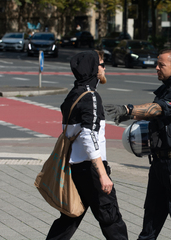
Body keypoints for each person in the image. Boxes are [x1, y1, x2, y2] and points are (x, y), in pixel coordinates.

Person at [105, 48, 171, 240]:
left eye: (160, 65)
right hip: (159, 163)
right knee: (152, 215)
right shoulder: (168, 87)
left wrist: (128, 110)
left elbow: (158, 109)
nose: (156, 67)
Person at [46, 50, 128, 240]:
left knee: (69, 217)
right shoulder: (90, 96)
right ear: (92, 68)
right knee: (111, 219)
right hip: (91, 168)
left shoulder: (73, 94)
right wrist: (102, 174)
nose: (104, 67)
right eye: (101, 64)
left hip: (76, 168)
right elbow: (88, 136)